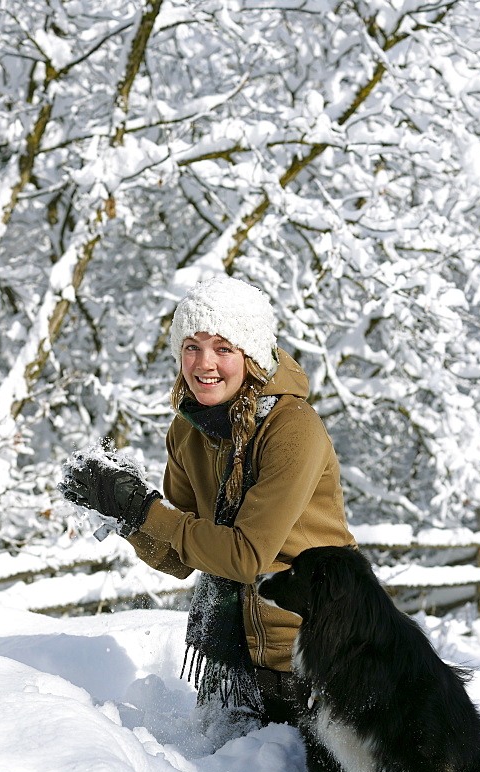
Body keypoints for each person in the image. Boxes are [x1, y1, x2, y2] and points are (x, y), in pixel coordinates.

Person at [58, 275, 355, 726]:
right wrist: (125, 513)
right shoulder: (187, 430)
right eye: (191, 347)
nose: (204, 363)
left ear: (251, 356)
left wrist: (146, 511)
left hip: (317, 657)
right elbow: (181, 556)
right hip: (232, 663)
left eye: (223, 347)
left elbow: (244, 557)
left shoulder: (291, 428)